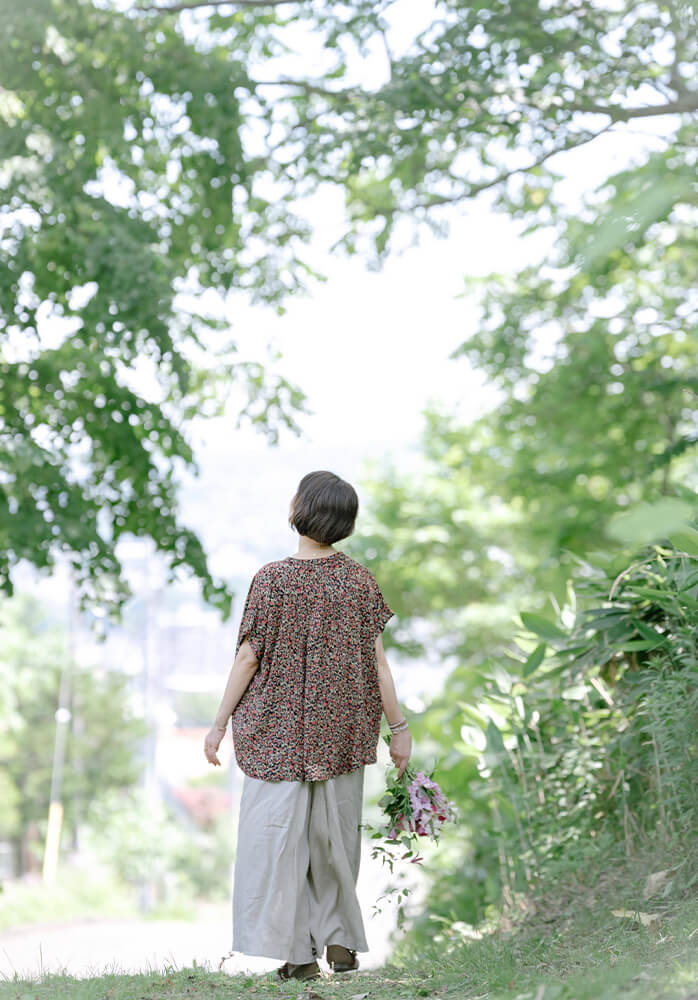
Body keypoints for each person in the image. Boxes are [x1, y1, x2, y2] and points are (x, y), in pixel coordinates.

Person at [203, 469, 412, 982]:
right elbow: (377, 663)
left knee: (280, 846)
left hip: (276, 738)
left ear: (301, 508)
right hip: (342, 731)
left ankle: (297, 955)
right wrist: (399, 728)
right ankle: (339, 940)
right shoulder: (359, 580)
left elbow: (249, 658)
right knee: (335, 841)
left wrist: (218, 724)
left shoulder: (270, 579)